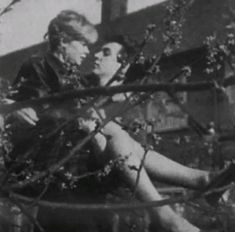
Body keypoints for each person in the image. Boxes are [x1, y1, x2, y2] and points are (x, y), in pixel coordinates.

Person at [78, 36, 235, 232]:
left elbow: (126, 164)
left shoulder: (130, 108)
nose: (97, 54)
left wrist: (96, 132)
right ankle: (200, 181)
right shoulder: (84, 100)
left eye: (106, 52)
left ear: (123, 67)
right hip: (84, 195)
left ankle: (192, 190)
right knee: (117, 137)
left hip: (116, 207)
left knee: (120, 139)